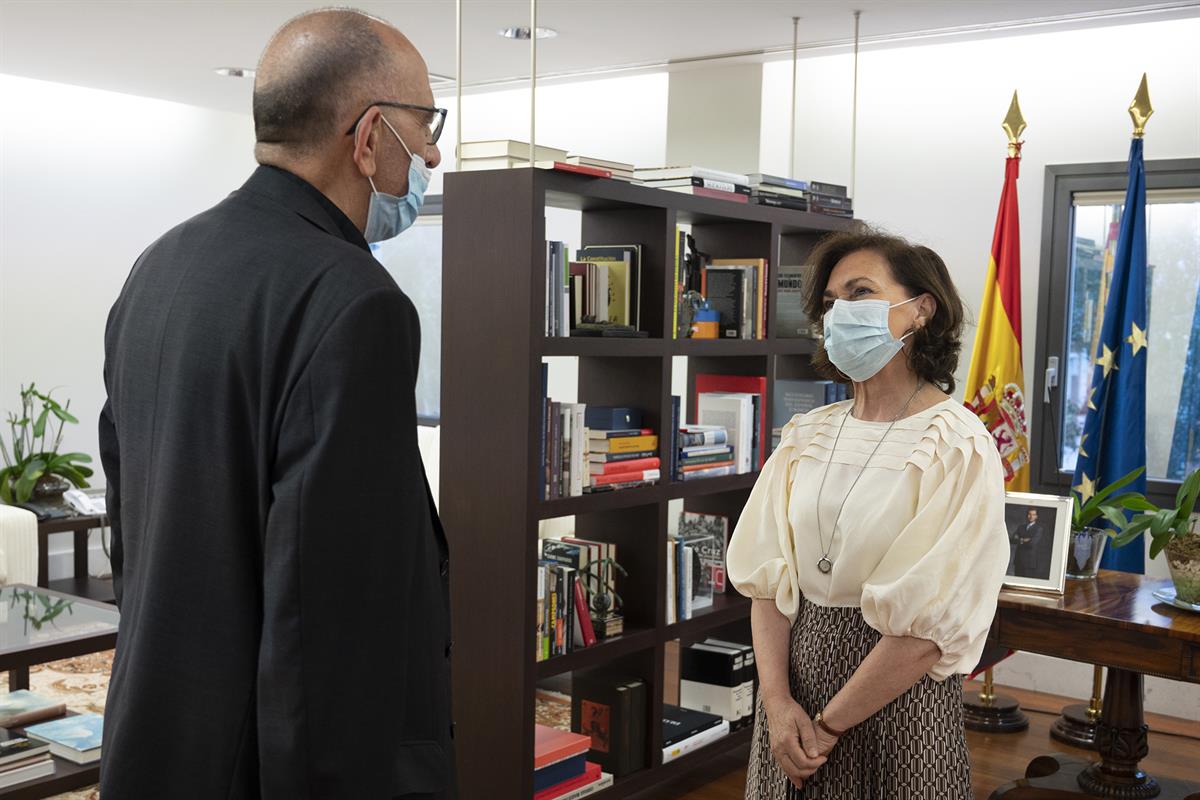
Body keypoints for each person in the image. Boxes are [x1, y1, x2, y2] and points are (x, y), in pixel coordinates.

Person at [97, 9, 455, 798]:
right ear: (367, 139)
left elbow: (131, 524)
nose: (431, 153)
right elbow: (329, 615)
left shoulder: (159, 266)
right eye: (424, 124)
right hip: (265, 763)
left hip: (155, 736)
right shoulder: (356, 301)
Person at [727, 229, 1008, 799]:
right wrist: (778, 704)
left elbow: (930, 628)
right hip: (792, 695)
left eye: (860, 293)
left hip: (896, 705)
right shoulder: (806, 434)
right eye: (831, 303)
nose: (840, 314)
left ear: (920, 310)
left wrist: (828, 727)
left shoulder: (957, 444)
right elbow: (766, 581)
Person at [1011, 508, 1047, 578]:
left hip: (1029, 562)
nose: (1031, 516)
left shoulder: (1038, 529)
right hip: (1018, 560)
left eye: (1033, 515)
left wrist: (1019, 539)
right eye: (1029, 514)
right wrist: (1024, 540)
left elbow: (1032, 543)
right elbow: (1012, 540)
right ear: (1027, 515)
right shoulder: (1020, 527)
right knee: (1016, 582)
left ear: (1036, 516)